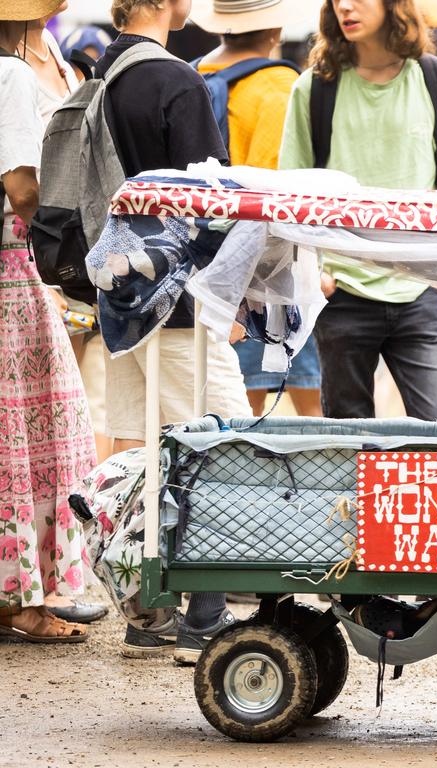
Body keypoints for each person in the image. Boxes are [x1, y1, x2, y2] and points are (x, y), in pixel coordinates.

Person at [96, 0, 248, 664]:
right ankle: (206, 616)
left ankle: (148, 611)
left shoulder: (100, 75)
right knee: (227, 443)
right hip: (180, 301)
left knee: (154, 452)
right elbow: (210, 206)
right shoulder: (175, 82)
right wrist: (227, 302)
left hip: (118, 300)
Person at [278, 0, 437, 421]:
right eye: (336, 0)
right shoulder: (313, 88)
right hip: (342, 292)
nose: (345, 7)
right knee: (347, 446)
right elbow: (294, 196)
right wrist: (315, 273)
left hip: (420, 287)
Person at [0, 0, 95, 644]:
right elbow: (22, 185)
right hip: (11, 270)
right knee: (32, 424)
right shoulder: (9, 74)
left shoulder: (34, 63)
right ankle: (22, 599)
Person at [190, 0, 322, 419]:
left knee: (230, 401)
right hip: (270, 265)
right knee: (308, 398)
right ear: (274, 31)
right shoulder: (280, 85)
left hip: (205, 261)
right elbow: (280, 181)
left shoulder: (192, 75)